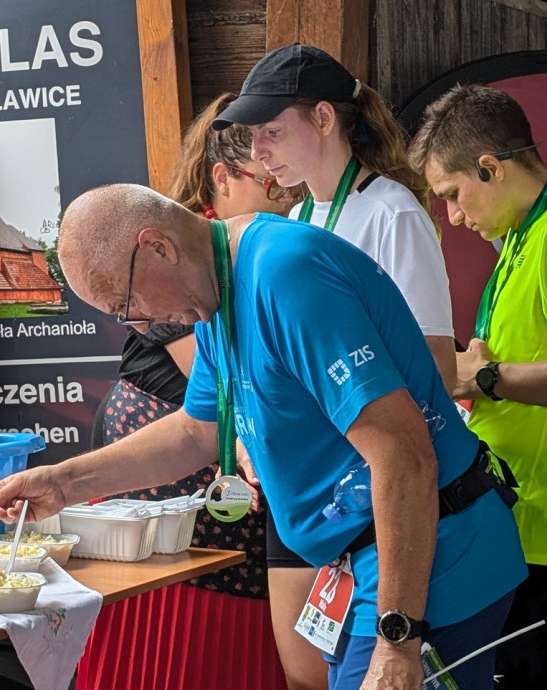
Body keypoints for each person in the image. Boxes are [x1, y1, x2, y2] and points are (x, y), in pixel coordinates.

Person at [0, 183, 527, 690]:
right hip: (364, 561)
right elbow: (197, 431)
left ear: (158, 248)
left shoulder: (286, 275)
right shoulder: (215, 293)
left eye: (127, 307)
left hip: (431, 558)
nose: (143, 325)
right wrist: (62, 481)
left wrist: (398, 639)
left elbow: (403, 455)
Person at [212, 43, 457, 689]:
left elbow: (438, 371)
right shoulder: (297, 216)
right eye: (250, 136)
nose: (259, 151)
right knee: (308, 675)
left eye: (271, 131)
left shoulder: (393, 213)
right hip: (309, 491)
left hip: (379, 495)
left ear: (325, 118)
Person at [408, 84, 547, 690]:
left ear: (490, 167)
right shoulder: (521, 239)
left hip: (534, 532)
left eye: (454, 195)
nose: (453, 216)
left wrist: (483, 376)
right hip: (502, 523)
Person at [78, 93, 302, 690]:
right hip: (170, 469)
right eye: (271, 185)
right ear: (223, 179)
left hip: (209, 464)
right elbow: (225, 391)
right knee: (171, 642)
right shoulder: (180, 263)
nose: (285, 198)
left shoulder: (258, 256)